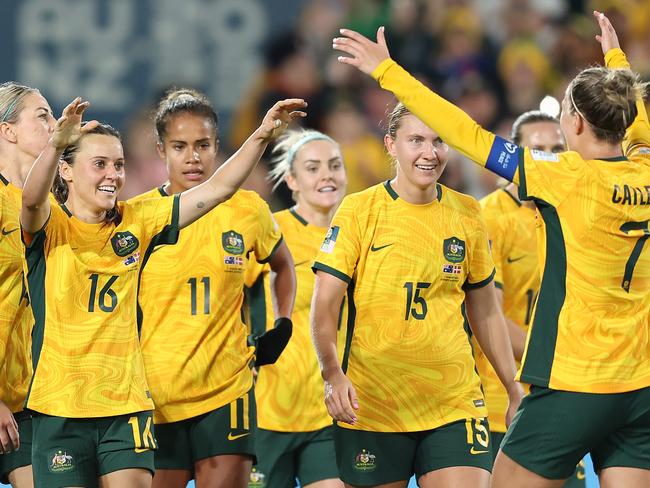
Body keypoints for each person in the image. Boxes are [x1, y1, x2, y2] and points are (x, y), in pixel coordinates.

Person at [332, 9, 650, 488]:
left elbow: (466, 134)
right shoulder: (645, 167)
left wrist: (388, 73)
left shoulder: (561, 176)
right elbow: (639, 129)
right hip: (641, 384)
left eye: (564, 109)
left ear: (578, 123)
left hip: (577, 378)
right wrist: (616, 62)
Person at [20, 95, 306, 488]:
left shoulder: (137, 221)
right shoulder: (49, 227)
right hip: (59, 407)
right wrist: (55, 145)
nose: (113, 175)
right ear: (66, 171)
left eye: (119, 165)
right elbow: (31, 200)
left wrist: (261, 135)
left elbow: (218, 190)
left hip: (127, 408)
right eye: (100, 164)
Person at [310, 100, 524, 488]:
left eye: (439, 141)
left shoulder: (467, 212)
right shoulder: (359, 211)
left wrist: (512, 387)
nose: (430, 153)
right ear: (391, 145)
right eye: (416, 141)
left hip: (453, 401)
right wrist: (331, 373)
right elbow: (325, 304)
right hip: (374, 402)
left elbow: (486, 312)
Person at [131, 88, 296, 488]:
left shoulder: (248, 209)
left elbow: (282, 265)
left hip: (228, 388)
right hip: (157, 393)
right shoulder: (137, 217)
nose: (193, 157)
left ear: (217, 146)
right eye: (180, 146)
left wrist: (283, 322)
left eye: (203, 145)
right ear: (160, 150)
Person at [477, 111, 587, 486]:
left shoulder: (573, 211)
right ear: (515, 157)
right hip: (501, 399)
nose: (548, 158)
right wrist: (560, 357)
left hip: (562, 392)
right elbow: (486, 312)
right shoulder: (489, 217)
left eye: (557, 148)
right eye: (536, 149)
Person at [245, 128, 347, 488]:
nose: (327, 175)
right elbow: (228, 290)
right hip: (269, 409)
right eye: (314, 168)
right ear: (292, 180)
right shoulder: (273, 229)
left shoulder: (358, 232)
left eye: (335, 166)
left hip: (328, 411)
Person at [0, 82, 56, 488]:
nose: (55, 125)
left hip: (27, 400)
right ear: (8, 130)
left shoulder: (53, 208)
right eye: (43, 115)